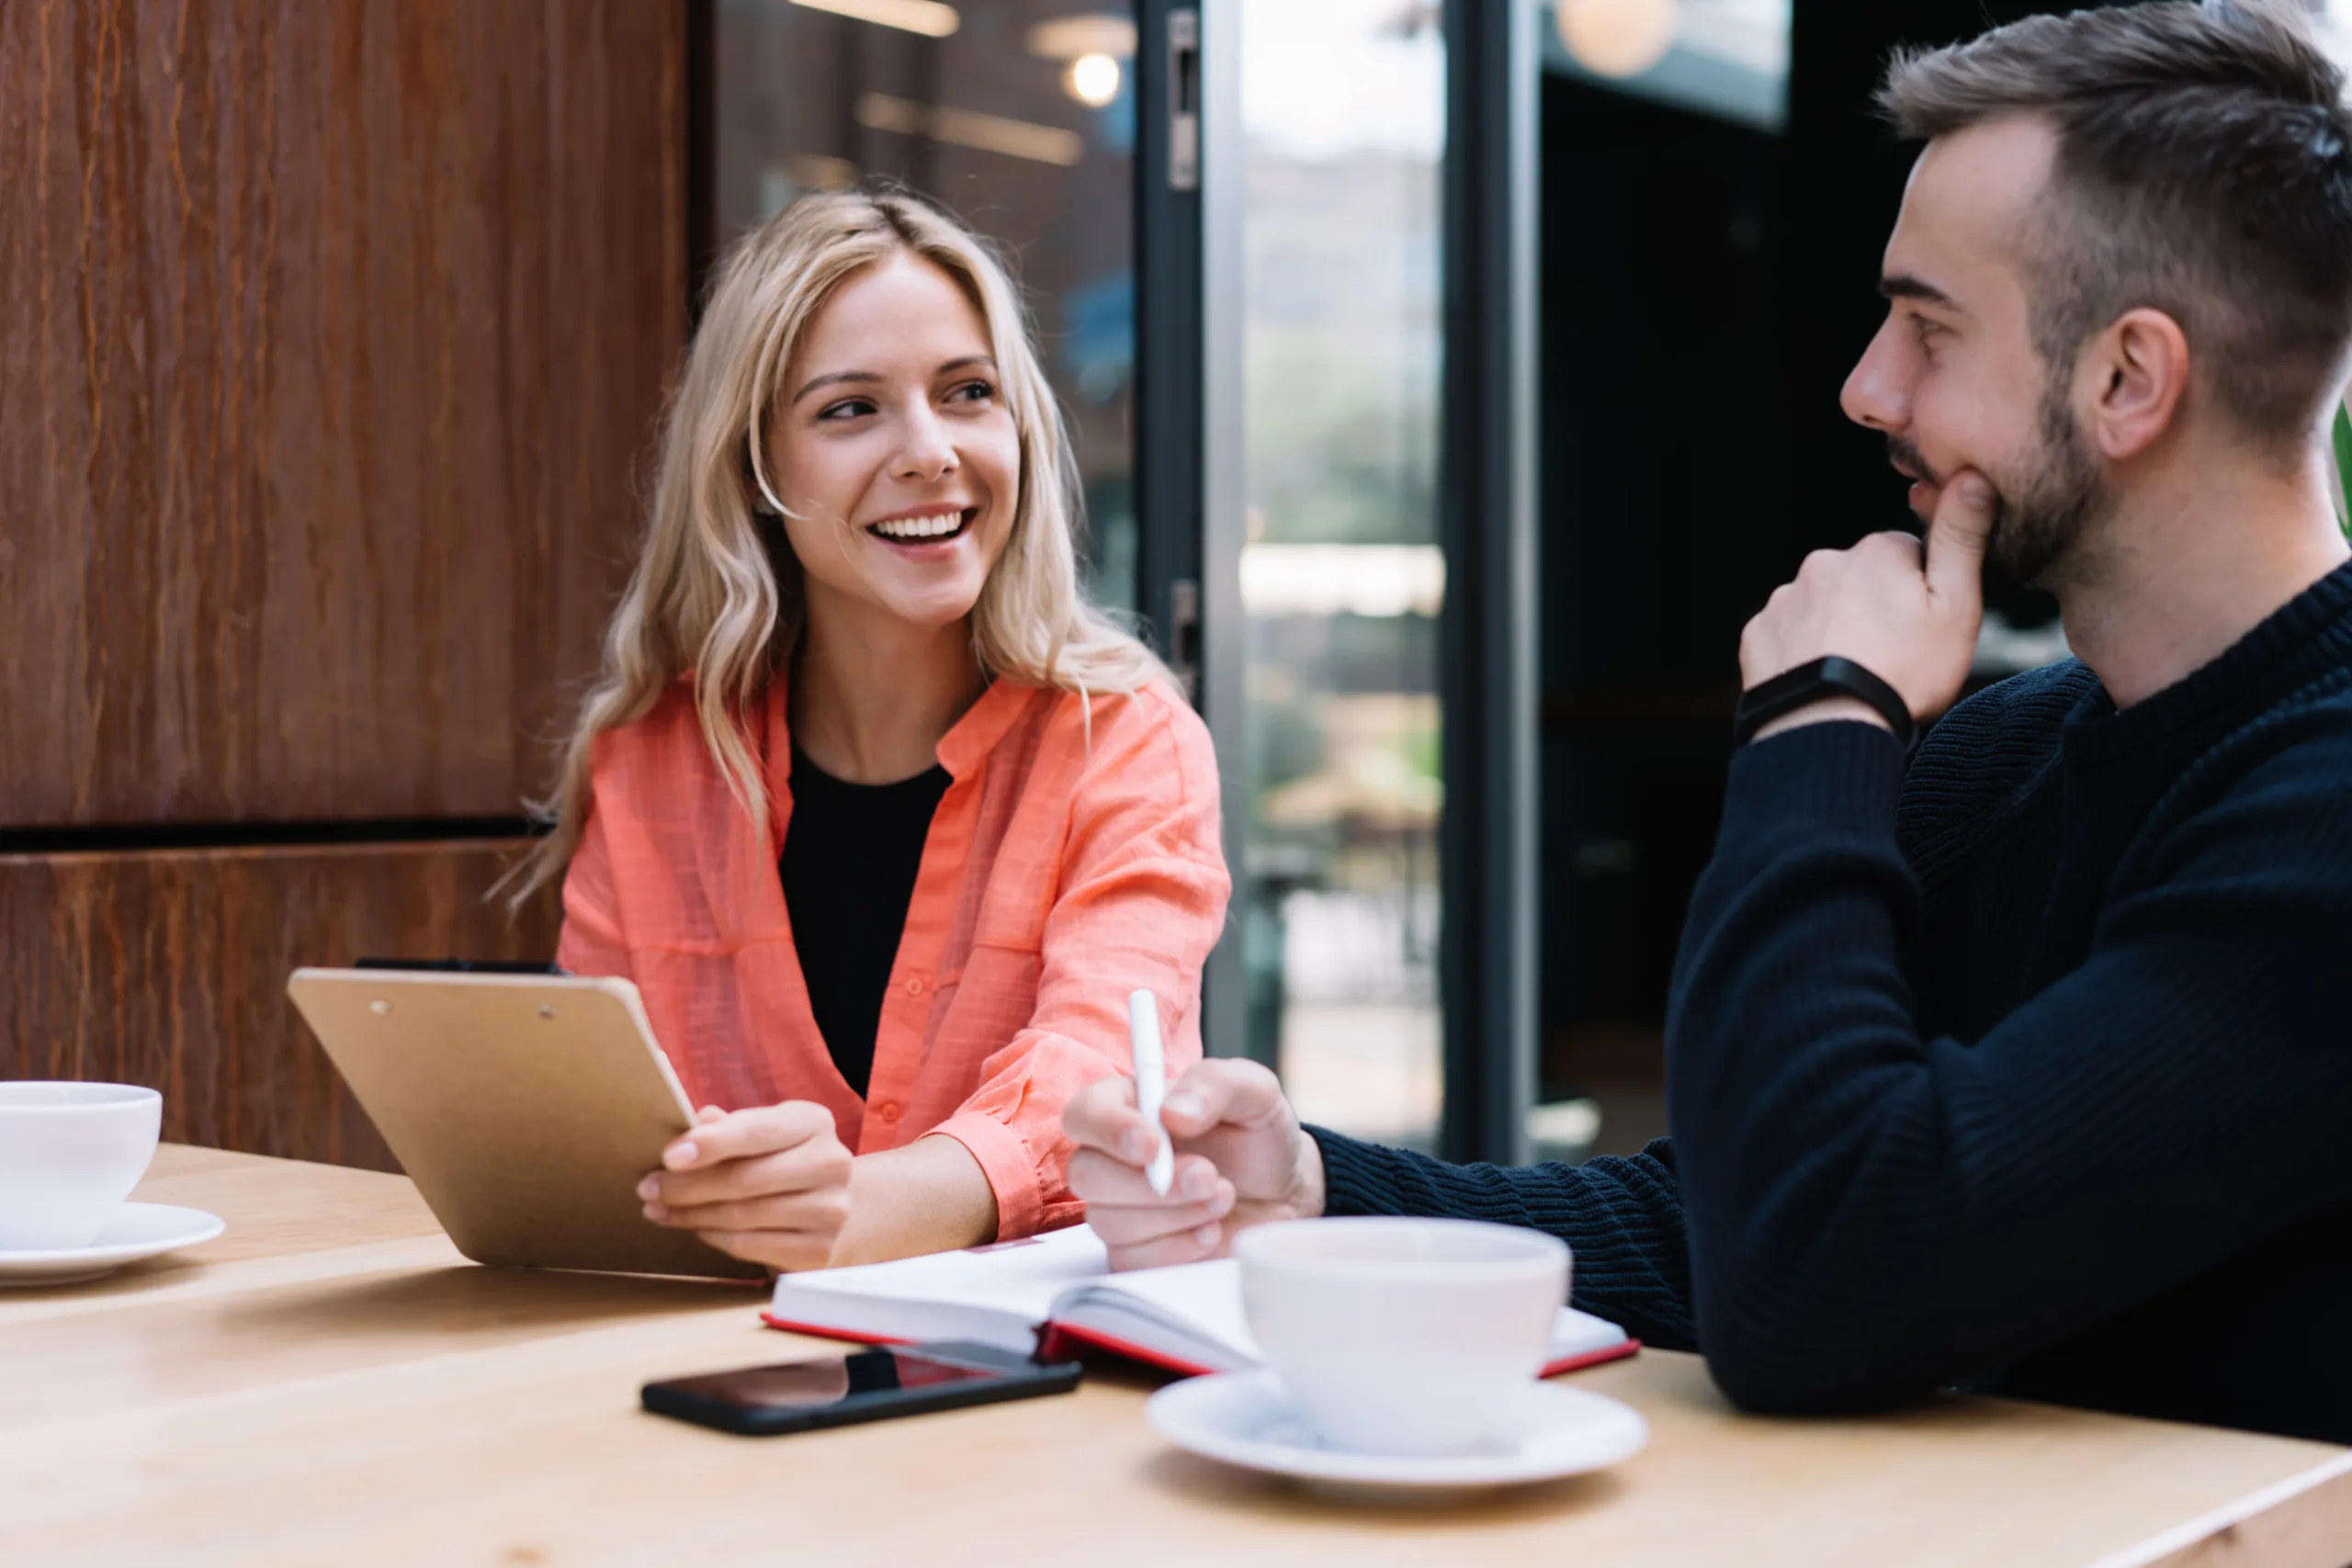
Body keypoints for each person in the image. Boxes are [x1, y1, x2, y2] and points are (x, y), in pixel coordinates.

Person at [1065, 0, 2352, 1443]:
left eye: (1930, 327)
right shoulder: (2006, 751)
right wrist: (1316, 1191)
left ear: (2128, 378)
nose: (1867, 387)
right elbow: (1730, 1218)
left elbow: (1816, 1276)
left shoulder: (2322, 807)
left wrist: (1818, 722)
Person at [514, 188, 1228, 1273]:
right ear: (754, 469)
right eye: (851, 409)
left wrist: (844, 1211)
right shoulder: (654, 757)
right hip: (708, 1357)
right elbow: (594, 1130)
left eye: (968, 392)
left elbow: (1094, 1080)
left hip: (1031, 1359)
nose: (930, 451)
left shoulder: (1130, 745)